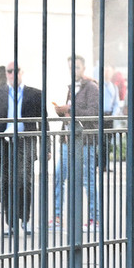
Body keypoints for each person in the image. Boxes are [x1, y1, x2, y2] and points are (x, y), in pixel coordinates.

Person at [0, 62, 46, 235]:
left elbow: (44, 122)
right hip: (3, 142)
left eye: (15, 71)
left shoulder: (35, 94)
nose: (12, 74)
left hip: (25, 141)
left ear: (21, 72)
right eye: (9, 71)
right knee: (4, 184)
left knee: (24, 182)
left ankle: (24, 219)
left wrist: (45, 148)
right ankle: (10, 222)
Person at [52, 55, 99, 230]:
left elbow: (93, 113)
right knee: (59, 176)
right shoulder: (72, 88)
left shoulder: (92, 87)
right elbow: (70, 114)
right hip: (68, 140)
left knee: (88, 180)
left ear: (84, 68)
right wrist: (61, 111)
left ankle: (95, 218)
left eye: (77, 67)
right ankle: (57, 217)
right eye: (71, 68)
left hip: (85, 141)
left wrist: (69, 109)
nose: (74, 71)